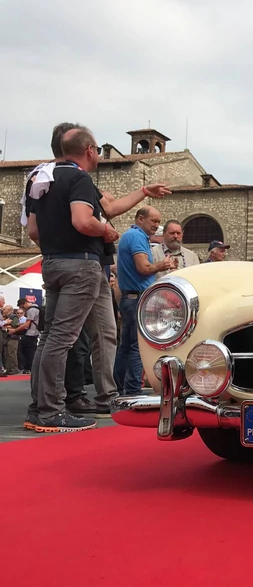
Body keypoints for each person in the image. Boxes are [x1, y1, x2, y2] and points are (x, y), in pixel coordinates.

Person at [24, 125, 120, 431]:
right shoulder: (79, 178)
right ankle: (52, 412)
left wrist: (56, 248)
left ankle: (38, 408)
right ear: (90, 150)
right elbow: (82, 220)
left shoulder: (42, 179)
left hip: (51, 263)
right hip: (80, 265)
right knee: (62, 339)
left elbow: (33, 231)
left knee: (48, 338)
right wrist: (105, 229)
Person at [114, 207, 175, 397]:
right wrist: (162, 265)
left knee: (126, 345)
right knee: (137, 346)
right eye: (154, 221)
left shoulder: (130, 236)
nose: (157, 226)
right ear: (141, 219)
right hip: (137, 298)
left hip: (130, 297)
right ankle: (132, 390)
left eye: (158, 222)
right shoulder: (137, 237)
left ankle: (120, 387)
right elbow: (143, 268)